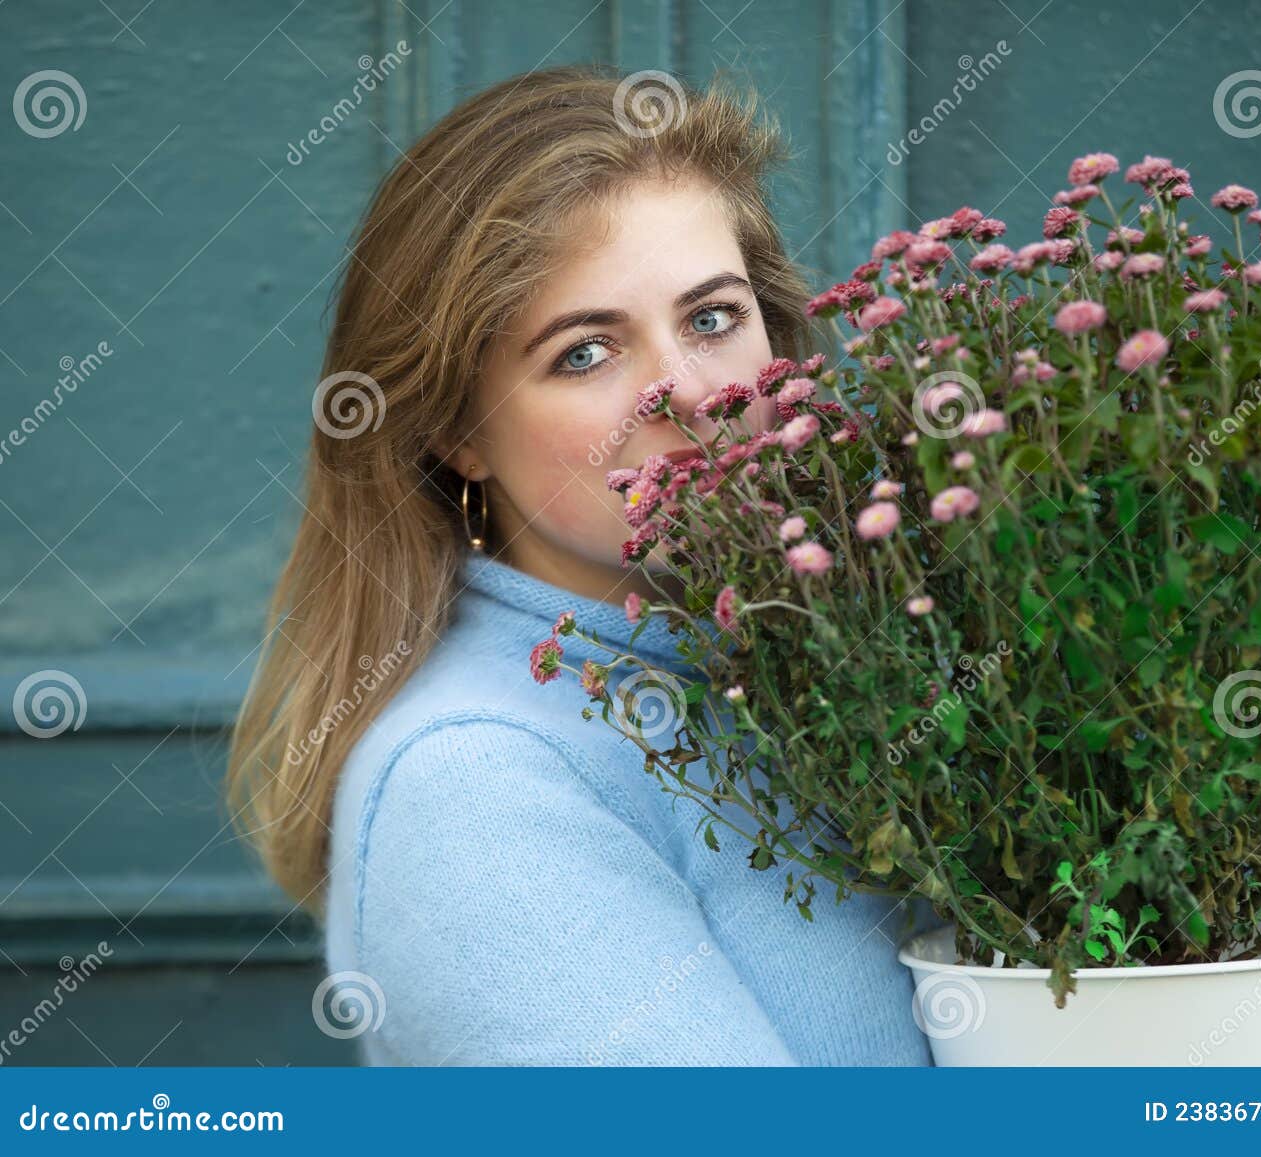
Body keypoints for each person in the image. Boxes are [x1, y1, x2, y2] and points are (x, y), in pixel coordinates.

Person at [225, 63, 933, 1066]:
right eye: (584, 353)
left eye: (713, 317)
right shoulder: (472, 778)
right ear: (456, 430)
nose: (688, 393)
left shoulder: (840, 665)